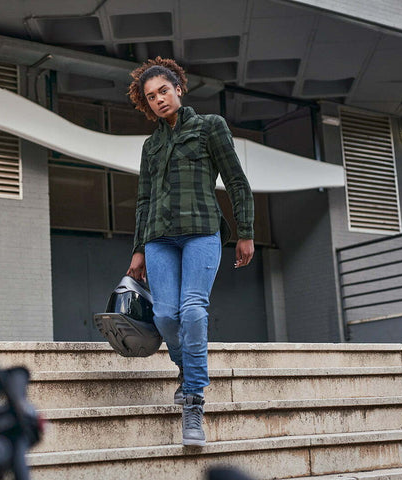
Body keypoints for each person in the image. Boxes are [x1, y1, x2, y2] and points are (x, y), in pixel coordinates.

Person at [126, 57, 255, 447]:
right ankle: (187, 367)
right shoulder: (150, 146)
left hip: (201, 231)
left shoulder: (210, 127)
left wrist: (246, 232)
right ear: (147, 104)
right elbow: (144, 200)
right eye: (151, 96)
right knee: (165, 315)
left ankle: (194, 400)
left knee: (193, 310)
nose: (159, 99)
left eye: (164, 90)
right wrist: (138, 250)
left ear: (178, 89)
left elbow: (236, 180)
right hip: (159, 238)